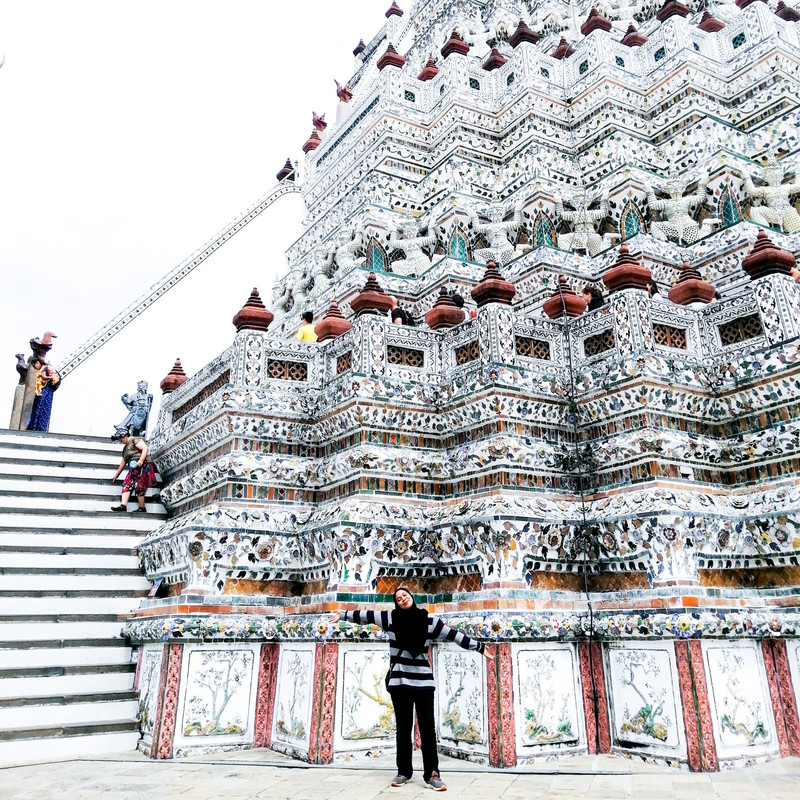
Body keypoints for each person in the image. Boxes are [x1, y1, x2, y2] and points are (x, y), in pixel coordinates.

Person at [330, 587, 492, 792]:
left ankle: (432, 774)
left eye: (405, 595)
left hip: (424, 683)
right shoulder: (389, 618)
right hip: (400, 683)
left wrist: (479, 647)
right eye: (398, 598)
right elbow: (366, 616)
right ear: (395, 603)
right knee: (403, 729)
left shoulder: (429, 622)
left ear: (412, 597)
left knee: (427, 729)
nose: (402, 599)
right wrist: (342, 614)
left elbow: (454, 635)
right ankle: (404, 771)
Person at [111, 429, 156, 513]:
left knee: (140, 486)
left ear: (126, 435)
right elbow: (123, 462)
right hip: (133, 468)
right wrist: (116, 475)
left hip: (142, 466)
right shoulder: (125, 449)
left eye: (122, 437)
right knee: (126, 484)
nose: (121, 440)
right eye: (119, 438)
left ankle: (142, 507)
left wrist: (141, 460)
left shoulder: (134, 440)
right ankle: (123, 505)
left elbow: (145, 448)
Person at [26, 363, 60, 431]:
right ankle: (33, 426)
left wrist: (46, 378)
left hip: (46, 390)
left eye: (34, 365)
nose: (34, 367)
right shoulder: (40, 370)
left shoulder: (47, 368)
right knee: (36, 409)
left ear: (38, 363)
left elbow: (55, 378)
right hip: (40, 392)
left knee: (43, 409)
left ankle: (40, 428)